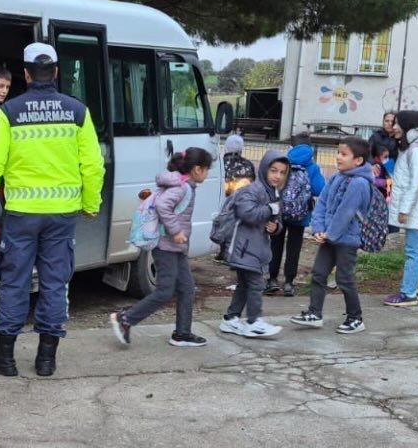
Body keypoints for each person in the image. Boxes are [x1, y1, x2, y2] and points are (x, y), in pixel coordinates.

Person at [0, 42, 105, 378]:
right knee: (55, 283)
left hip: (21, 215)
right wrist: (91, 203)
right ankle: (46, 360)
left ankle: (6, 358)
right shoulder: (78, 111)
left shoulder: (8, 112)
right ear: (56, 72)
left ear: (26, 74)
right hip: (62, 216)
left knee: (14, 282)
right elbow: (93, 165)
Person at [107, 148, 214, 350]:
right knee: (165, 291)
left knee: (187, 288)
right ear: (197, 169)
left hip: (175, 248)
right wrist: (176, 231)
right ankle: (126, 318)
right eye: (207, 169)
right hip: (166, 247)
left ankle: (182, 334)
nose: (208, 174)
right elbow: (163, 206)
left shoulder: (183, 185)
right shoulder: (181, 187)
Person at [290, 136, 375, 335]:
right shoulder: (337, 177)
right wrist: (318, 229)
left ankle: (355, 318)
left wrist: (329, 234)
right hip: (328, 237)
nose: (338, 157)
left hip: (347, 240)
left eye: (344, 154)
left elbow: (345, 213)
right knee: (319, 274)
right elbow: (322, 203)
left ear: (358, 160)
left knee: (345, 278)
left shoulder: (360, 183)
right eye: (338, 152)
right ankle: (314, 313)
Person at [219, 151, 289, 339]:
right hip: (244, 246)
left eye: (282, 172)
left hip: (255, 247)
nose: (278, 176)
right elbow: (247, 213)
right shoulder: (253, 190)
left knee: (244, 284)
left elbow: (277, 221)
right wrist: (268, 209)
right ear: (265, 169)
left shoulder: (272, 193)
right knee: (256, 284)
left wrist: (275, 227)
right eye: (274, 171)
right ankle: (254, 321)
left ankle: (231, 318)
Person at [384, 109, 418, 307]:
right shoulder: (413, 149)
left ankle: (408, 294)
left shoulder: (417, 152)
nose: (394, 127)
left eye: (397, 123)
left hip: (415, 211)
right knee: (414, 251)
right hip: (414, 210)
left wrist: (404, 210)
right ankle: (412, 289)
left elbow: (416, 184)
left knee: (413, 252)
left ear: (408, 127)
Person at [269, 133, 324, 295]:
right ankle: (288, 282)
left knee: (275, 244)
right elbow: (319, 189)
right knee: (294, 248)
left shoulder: (284, 162)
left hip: (279, 212)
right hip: (300, 215)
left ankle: (272, 279)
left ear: (291, 147)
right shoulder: (312, 166)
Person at [217, 134, 256, 263]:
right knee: (236, 228)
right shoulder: (248, 164)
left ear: (226, 147)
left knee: (223, 225)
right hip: (243, 201)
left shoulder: (221, 163)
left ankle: (223, 253)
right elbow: (253, 181)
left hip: (224, 198)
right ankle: (232, 254)